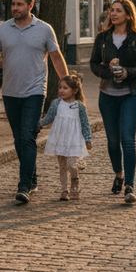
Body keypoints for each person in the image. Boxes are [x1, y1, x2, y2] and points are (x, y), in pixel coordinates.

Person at [0, 0, 69, 205]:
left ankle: (23, 186)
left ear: (30, 6)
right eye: (13, 4)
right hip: (11, 91)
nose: (15, 8)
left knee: (27, 136)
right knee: (19, 140)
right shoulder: (3, 29)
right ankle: (32, 177)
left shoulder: (44, 29)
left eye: (19, 4)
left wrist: (67, 83)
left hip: (35, 90)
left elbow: (56, 58)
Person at [89, 0, 136, 205]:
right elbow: (93, 64)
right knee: (112, 141)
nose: (113, 13)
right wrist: (107, 72)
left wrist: (128, 73)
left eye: (118, 10)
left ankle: (130, 185)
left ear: (128, 14)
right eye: (111, 10)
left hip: (132, 94)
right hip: (107, 96)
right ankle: (118, 174)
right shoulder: (103, 38)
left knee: (128, 139)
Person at [38, 73, 93, 201]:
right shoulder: (56, 103)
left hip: (73, 139)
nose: (61, 90)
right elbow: (48, 118)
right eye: (60, 87)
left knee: (72, 164)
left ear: (74, 90)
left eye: (65, 88)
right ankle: (64, 190)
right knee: (62, 165)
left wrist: (88, 139)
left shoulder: (79, 106)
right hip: (60, 138)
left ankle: (75, 180)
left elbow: (85, 123)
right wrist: (38, 124)